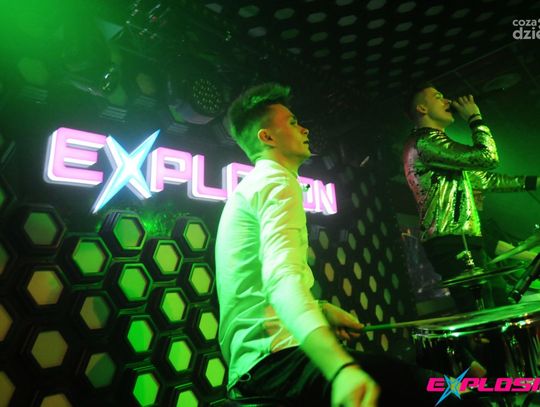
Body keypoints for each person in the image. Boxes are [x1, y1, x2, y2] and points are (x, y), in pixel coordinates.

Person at [216, 83, 466, 407]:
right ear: (267, 137)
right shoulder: (276, 182)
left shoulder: (253, 187)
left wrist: (320, 310)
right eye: (292, 122)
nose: (304, 128)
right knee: (452, 393)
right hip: (279, 362)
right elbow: (282, 280)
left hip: (257, 366)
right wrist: (340, 368)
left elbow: (254, 289)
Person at [403, 83, 539, 312]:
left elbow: (485, 179)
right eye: (438, 96)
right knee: (484, 313)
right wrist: (475, 118)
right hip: (454, 240)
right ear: (422, 108)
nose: (448, 101)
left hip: (464, 239)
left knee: (499, 306)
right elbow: (487, 157)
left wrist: (534, 182)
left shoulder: (436, 148)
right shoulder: (425, 141)